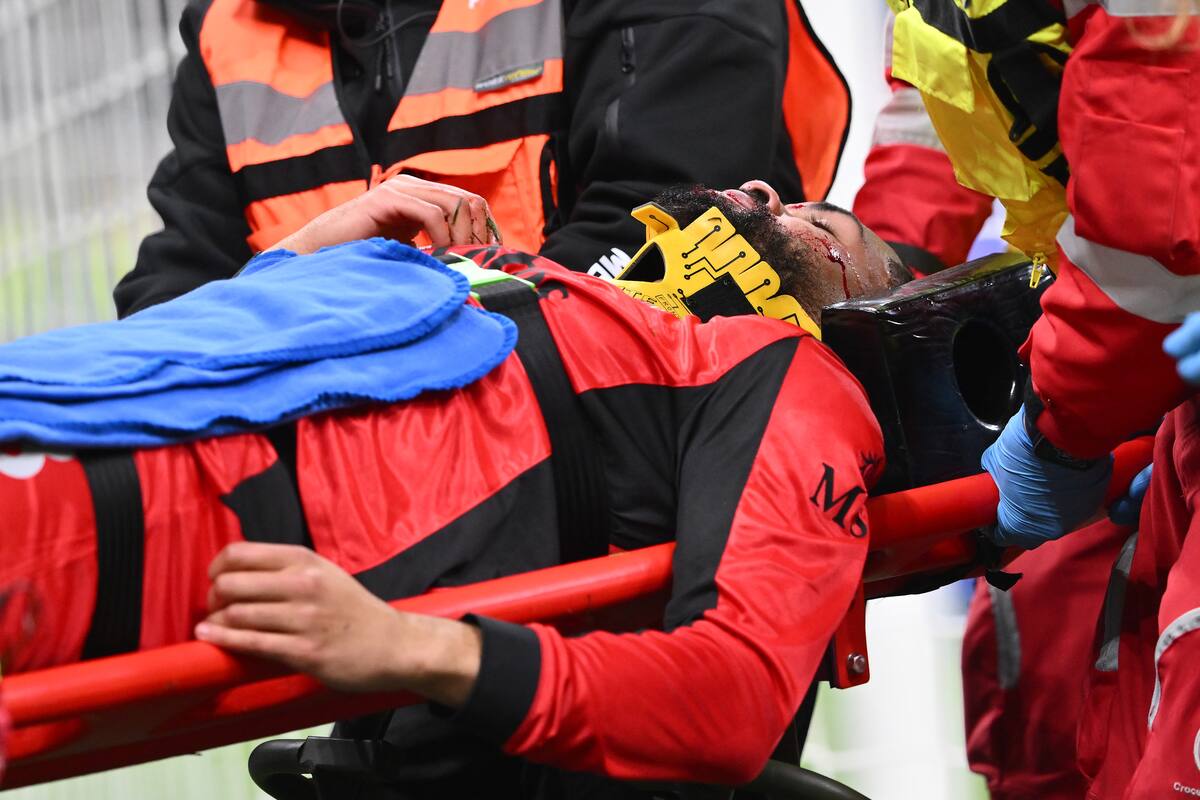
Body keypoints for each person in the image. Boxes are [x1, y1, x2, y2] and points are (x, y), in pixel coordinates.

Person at [1, 175, 906, 795]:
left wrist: (410, 648)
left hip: (99, 524)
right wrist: (304, 256)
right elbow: (218, 368)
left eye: (824, 228)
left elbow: (732, 695)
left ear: (856, 307)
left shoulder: (787, 373)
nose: (757, 192)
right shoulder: (552, 288)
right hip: (52, 395)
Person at [878, 2, 1199, 796]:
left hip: (1129, 342)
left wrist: (1062, 429)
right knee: (1063, 709)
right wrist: (880, 307)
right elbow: (939, 103)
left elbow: (1146, 224)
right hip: (1130, 353)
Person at [109, 0, 852, 316]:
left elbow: (670, 226)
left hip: (624, 493)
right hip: (328, 514)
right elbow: (169, 303)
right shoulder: (228, 30)